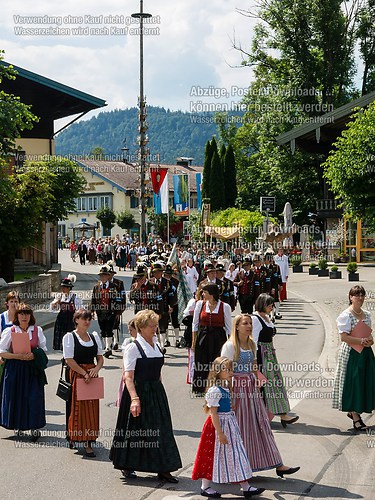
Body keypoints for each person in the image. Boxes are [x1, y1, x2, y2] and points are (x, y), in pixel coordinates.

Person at [222, 314, 300, 477]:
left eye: (250, 323)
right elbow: (224, 373)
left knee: (261, 427)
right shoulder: (230, 346)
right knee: (241, 429)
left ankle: (278, 464)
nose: (249, 326)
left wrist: (257, 392)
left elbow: (254, 368)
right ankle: (239, 467)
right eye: (245, 323)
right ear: (237, 326)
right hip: (237, 391)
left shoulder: (251, 344)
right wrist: (229, 397)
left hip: (251, 391)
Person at [110, 309, 182, 482]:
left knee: (161, 430)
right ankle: (127, 465)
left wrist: (160, 391)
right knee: (135, 431)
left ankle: (164, 468)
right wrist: (134, 399)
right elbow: (128, 377)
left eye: (156, 325)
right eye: (152, 326)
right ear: (141, 328)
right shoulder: (132, 348)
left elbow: (158, 372)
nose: (155, 329)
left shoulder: (156, 345)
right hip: (139, 392)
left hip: (156, 392)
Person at [192, 356, 265, 498]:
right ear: (218, 371)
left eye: (231, 369)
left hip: (229, 424)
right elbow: (213, 413)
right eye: (227, 370)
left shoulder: (225, 387)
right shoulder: (215, 390)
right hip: (218, 426)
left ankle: (246, 487)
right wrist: (220, 433)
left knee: (237, 454)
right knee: (211, 455)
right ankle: (205, 486)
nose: (231, 372)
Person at [0, 303, 48, 440]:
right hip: (14, 368)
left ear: (30, 316)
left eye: (27, 313)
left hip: (32, 369)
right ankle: (18, 425)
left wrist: (34, 355)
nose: (24, 316)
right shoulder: (11, 331)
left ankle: (34, 428)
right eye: (21, 313)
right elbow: (2, 352)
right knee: (16, 396)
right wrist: (18, 356)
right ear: (17, 316)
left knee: (34, 397)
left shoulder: (37, 330)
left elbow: (44, 350)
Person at [252, 294, 299, 427]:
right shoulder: (255, 319)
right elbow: (254, 341)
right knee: (267, 385)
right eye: (269, 305)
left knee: (275, 383)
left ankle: (278, 413)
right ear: (262, 305)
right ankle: (273, 414)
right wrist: (255, 362)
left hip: (270, 354)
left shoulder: (266, 318)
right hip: (261, 356)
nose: (272, 307)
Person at [332, 286, 375, 431]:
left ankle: (356, 411)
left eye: (362, 295)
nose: (360, 297)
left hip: (366, 353)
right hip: (351, 353)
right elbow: (343, 337)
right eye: (357, 295)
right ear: (350, 297)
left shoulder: (367, 314)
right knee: (353, 383)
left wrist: (370, 341)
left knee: (366, 382)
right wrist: (360, 341)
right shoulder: (346, 315)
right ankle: (355, 416)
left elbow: (369, 335)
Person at [63, 309, 104, 456]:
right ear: (76, 320)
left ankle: (88, 441)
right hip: (77, 374)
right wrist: (84, 373)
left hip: (92, 375)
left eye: (89, 319)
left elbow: (100, 358)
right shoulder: (70, 337)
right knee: (77, 408)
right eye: (84, 319)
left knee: (91, 409)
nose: (87, 322)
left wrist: (96, 369)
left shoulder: (93, 337)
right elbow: (69, 360)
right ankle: (75, 436)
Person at [192, 283, 232, 394]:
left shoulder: (225, 306)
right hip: (203, 336)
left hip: (218, 338)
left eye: (205, 292)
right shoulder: (200, 304)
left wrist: (230, 343)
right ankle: (201, 387)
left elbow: (229, 328)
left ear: (212, 294)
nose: (203, 294)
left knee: (216, 361)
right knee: (202, 361)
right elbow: (195, 324)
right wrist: (194, 340)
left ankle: (217, 386)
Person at [91, 265, 126, 358]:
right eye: (101, 276)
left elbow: (119, 299)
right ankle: (106, 346)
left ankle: (108, 348)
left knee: (109, 329)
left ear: (108, 276)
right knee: (102, 329)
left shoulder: (114, 287)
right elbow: (93, 299)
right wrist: (92, 310)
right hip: (100, 312)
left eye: (105, 275)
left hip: (111, 311)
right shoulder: (96, 287)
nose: (103, 277)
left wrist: (118, 312)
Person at [51, 275, 82, 351]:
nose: (63, 289)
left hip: (70, 320)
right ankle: (64, 355)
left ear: (69, 288)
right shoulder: (59, 296)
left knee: (70, 337)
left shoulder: (75, 298)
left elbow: (79, 310)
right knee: (62, 338)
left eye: (64, 287)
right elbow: (53, 309)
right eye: (62, 287)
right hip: (61, 319)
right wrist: (55, 304)